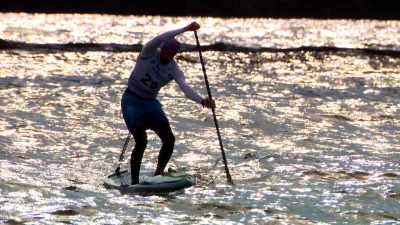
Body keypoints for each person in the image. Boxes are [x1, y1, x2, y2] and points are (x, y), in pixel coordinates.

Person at [121, 22, 215, 185]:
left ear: (174, 54)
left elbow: (185, 88)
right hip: (131, 101)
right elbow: (160, 38)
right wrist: (184, 30)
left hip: (150, 103)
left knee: (169, 139)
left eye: (170, 54)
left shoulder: (174, 69)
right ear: (162, 49)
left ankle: (159, 173)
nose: (166, 56)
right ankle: (134, 183)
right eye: (165, 52)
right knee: (141, 141)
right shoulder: (149, 52)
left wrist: (202, 101)